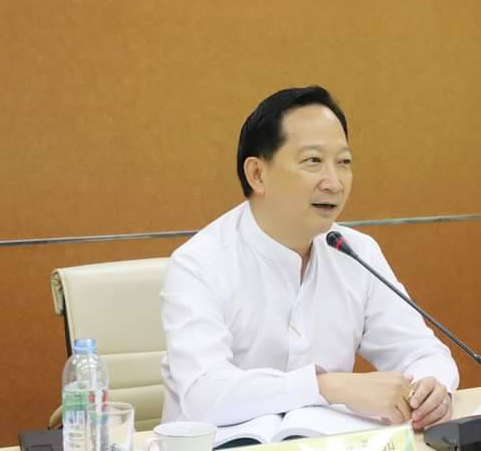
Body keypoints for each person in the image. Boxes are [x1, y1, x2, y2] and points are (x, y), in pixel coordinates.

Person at [160, 85, 459, 431]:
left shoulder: (356, 252)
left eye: (343, 163)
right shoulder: (199, 263)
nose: (334, 183)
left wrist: (432, 389)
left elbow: (423, 352)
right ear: (257, 174)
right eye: (313, 161)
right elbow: (203, 395)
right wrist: (324, 387)